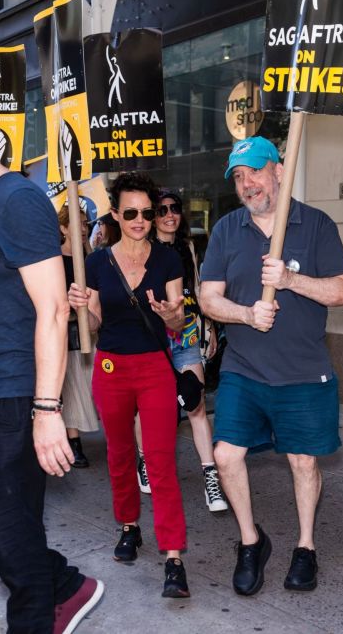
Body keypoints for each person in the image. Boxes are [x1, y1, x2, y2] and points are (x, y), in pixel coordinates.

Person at [0, 91, 103, 634]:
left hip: (7, 395)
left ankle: (45, 604)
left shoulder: (17, 199)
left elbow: (51, 310)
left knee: (14, 542)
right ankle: (66, 584)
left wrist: (48, 411)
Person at [200, 135, 343, 597]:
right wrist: (246, 313)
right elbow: (208, 298)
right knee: (226, 456)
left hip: (303, 371)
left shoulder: (317, 224)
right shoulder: (228, 229)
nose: (247, 184)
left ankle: (305, 546)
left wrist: (288, 279)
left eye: (255, 172)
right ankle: (251, 541)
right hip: (244, 369)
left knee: (303, 462)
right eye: (240, 177)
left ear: (279, 171)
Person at [68, 172, 190, 598]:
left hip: (155, 366)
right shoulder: (98, 263)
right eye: (132, 212)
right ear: (117, 214)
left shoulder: (167, 259)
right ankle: (129, 526)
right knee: (120, 455)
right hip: (111, 369)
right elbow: (97, 323)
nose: (141, 220)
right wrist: (84, 309)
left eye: (148, 212)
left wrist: (169, 314)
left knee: (160, 462)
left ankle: (173, 557)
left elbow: (178, 320)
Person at [135, 189, 228, 512]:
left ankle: (210, 477)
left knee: (196, 404)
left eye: (175, 208)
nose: (170, 215)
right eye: (162, 210)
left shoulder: (188, 247)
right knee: (146, 409)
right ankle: (145, 459)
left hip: (186, 335)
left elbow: (198, 287)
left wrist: (209, 324)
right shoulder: (143, 249)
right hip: (151, 339)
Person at [58, 205, 99, 468]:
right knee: (73, 387)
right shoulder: (55, 261)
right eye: (77, 223)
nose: (83, 229)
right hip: (68, 331)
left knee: (95, 384)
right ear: (63, 228)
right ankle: (74, 442)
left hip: (96, 329)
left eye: (85, 224)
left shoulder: (92, 259)